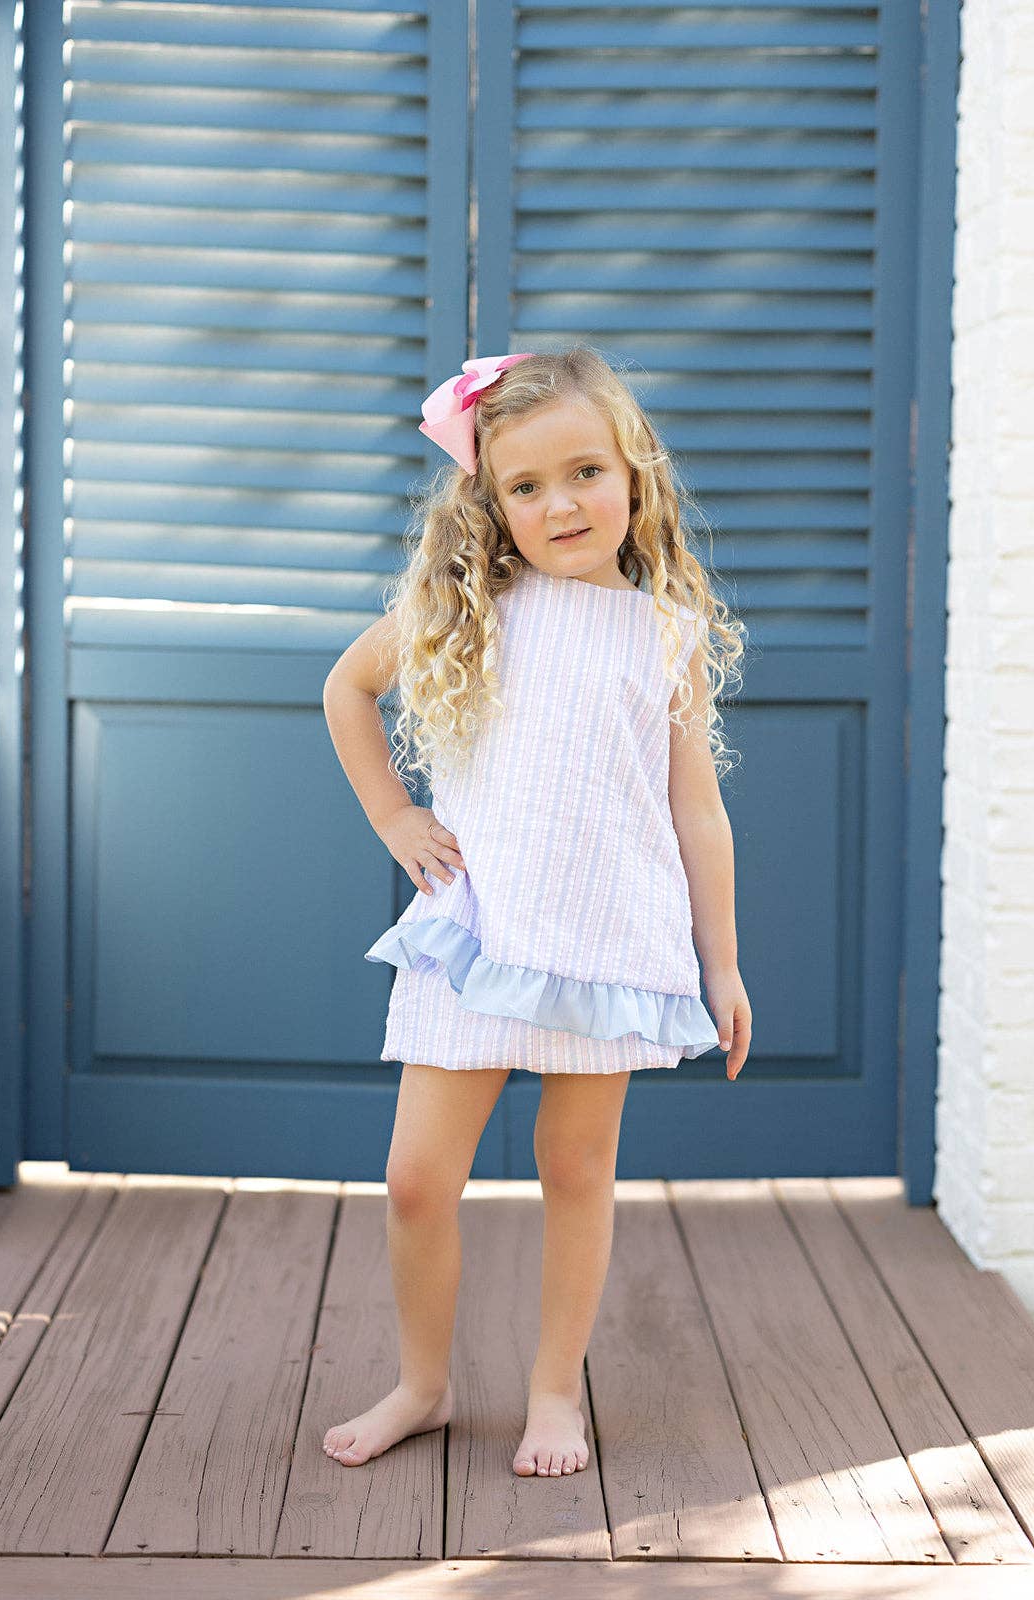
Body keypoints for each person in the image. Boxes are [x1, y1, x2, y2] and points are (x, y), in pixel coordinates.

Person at [322, 344, 751, 1479]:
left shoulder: (662, 632)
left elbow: (696, 813)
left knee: (576, 1163)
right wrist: (394, 818)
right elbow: (347, 689)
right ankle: (423, 1381)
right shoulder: (473, 609)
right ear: (491, 500)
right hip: (480, 937)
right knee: (417, 1175)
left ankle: (555, 1387)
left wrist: (725, 967)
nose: (560, 503)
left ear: (634, 474)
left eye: (585, 472)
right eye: (524, 485)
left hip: (604, 939)